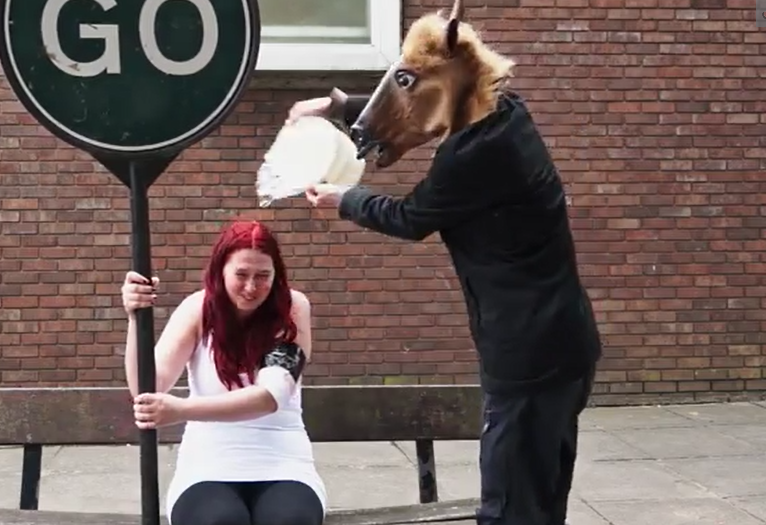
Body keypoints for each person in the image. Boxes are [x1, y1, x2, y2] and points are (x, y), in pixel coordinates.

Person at [288, 89, 602, 525]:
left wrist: (345, 198)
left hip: (526, 356)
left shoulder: (471, 156)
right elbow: (423, 99)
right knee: (543, 492)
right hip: (567, 342)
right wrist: (339, 105)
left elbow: (411, 217)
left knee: (510, 506)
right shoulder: (504, 110)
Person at [121, 219, 327, 525]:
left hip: (283, 462)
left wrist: (182, 410)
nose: (251, 287)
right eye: (241, 274)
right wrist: (135, 318)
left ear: (277, 274)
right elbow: (146, 388)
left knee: (288, 520)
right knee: (220, 521)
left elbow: (270, 397)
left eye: (263, 276)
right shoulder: (198, 309)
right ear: (220, 271)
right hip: (207, 464)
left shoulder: (292, 309)